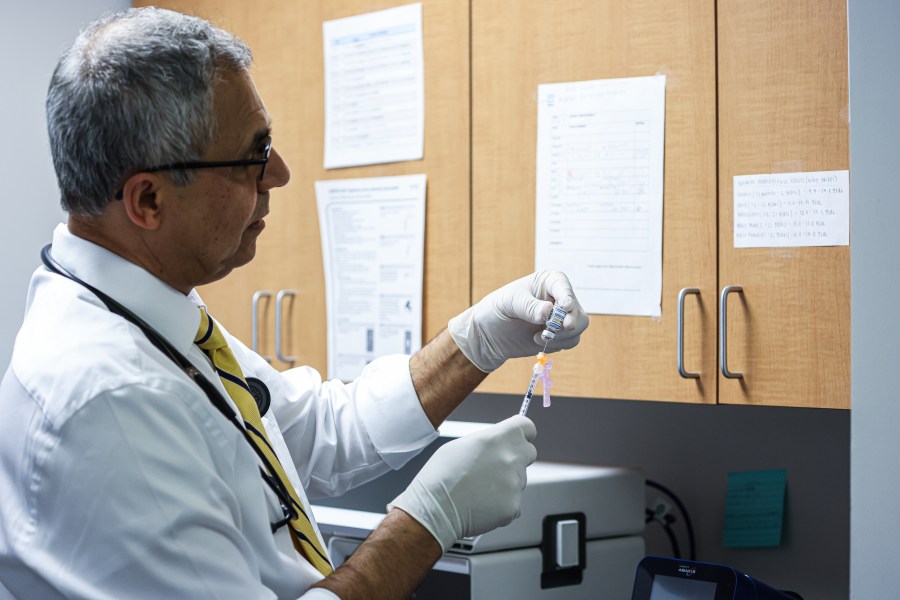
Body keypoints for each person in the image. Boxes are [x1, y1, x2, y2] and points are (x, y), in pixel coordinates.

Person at [0, 7, 588, 600]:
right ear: (148, 200)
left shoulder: (148, 318)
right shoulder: (114, 401)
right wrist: (427, 520)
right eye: (252, 156)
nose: (278, 174)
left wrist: (478, 340)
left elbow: (321, 432)